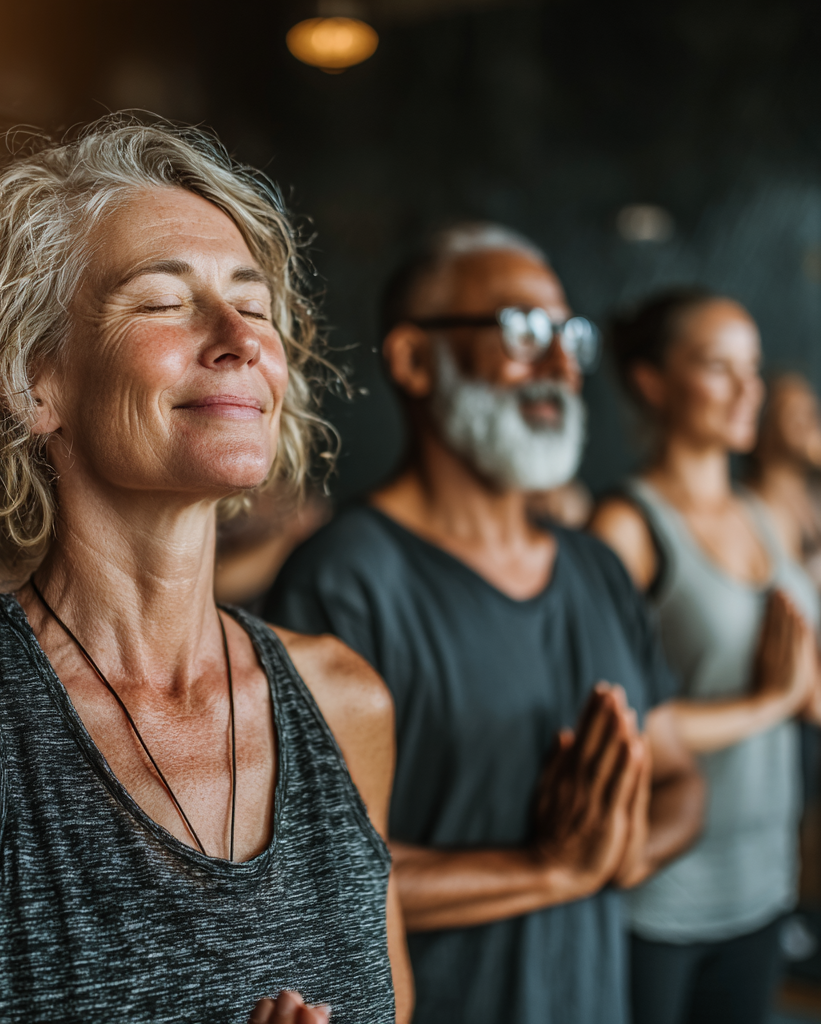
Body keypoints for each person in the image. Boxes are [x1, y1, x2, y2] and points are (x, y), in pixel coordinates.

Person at [0, 119, 412, 1024]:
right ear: (33, 379)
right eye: (165, 301)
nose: (240, 337)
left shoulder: (347, 705)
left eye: (256, 304)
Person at [266, 222, 705, 1024]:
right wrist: (549, 869)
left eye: (569, 335)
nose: (561, 365)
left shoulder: (596, 569)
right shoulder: (342, 583)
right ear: (413, 360)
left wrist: (623, 848)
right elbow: (310, 881)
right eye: (524, 330)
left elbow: (679, 778)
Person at [590, 288, 821, 1024]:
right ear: (653, 382)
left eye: (751, 368)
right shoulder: (627, 527)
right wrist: (769, 705)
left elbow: (806, 684)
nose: (747, 389)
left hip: (766, 881)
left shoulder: (766, 517)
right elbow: (616, 718)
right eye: (719, 367)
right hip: (664, 896)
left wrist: (798, 694)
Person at [748, 373, 821, 587]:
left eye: (812, 412)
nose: (809, 423)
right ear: (764, 428)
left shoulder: (813, 499)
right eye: (795, 413)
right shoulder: (752, 511)